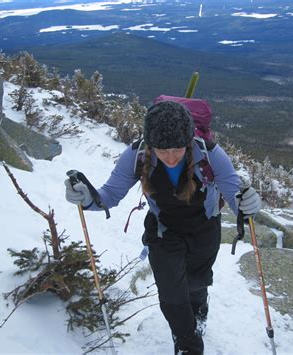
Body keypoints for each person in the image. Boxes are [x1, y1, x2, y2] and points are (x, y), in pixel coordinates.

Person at [65, 101, 261, 354]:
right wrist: (87, 198)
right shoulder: (136, 156)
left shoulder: (210, 154)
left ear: (189, 141)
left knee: (195, 284)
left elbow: (237, 196)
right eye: (162, 150)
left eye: (178, 149)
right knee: (171, 294)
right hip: (163, 229)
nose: (170, 157)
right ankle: (187, 344)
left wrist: (247, 206)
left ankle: (199, 309)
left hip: (204, 228)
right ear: (150, 144)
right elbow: (110, 195)